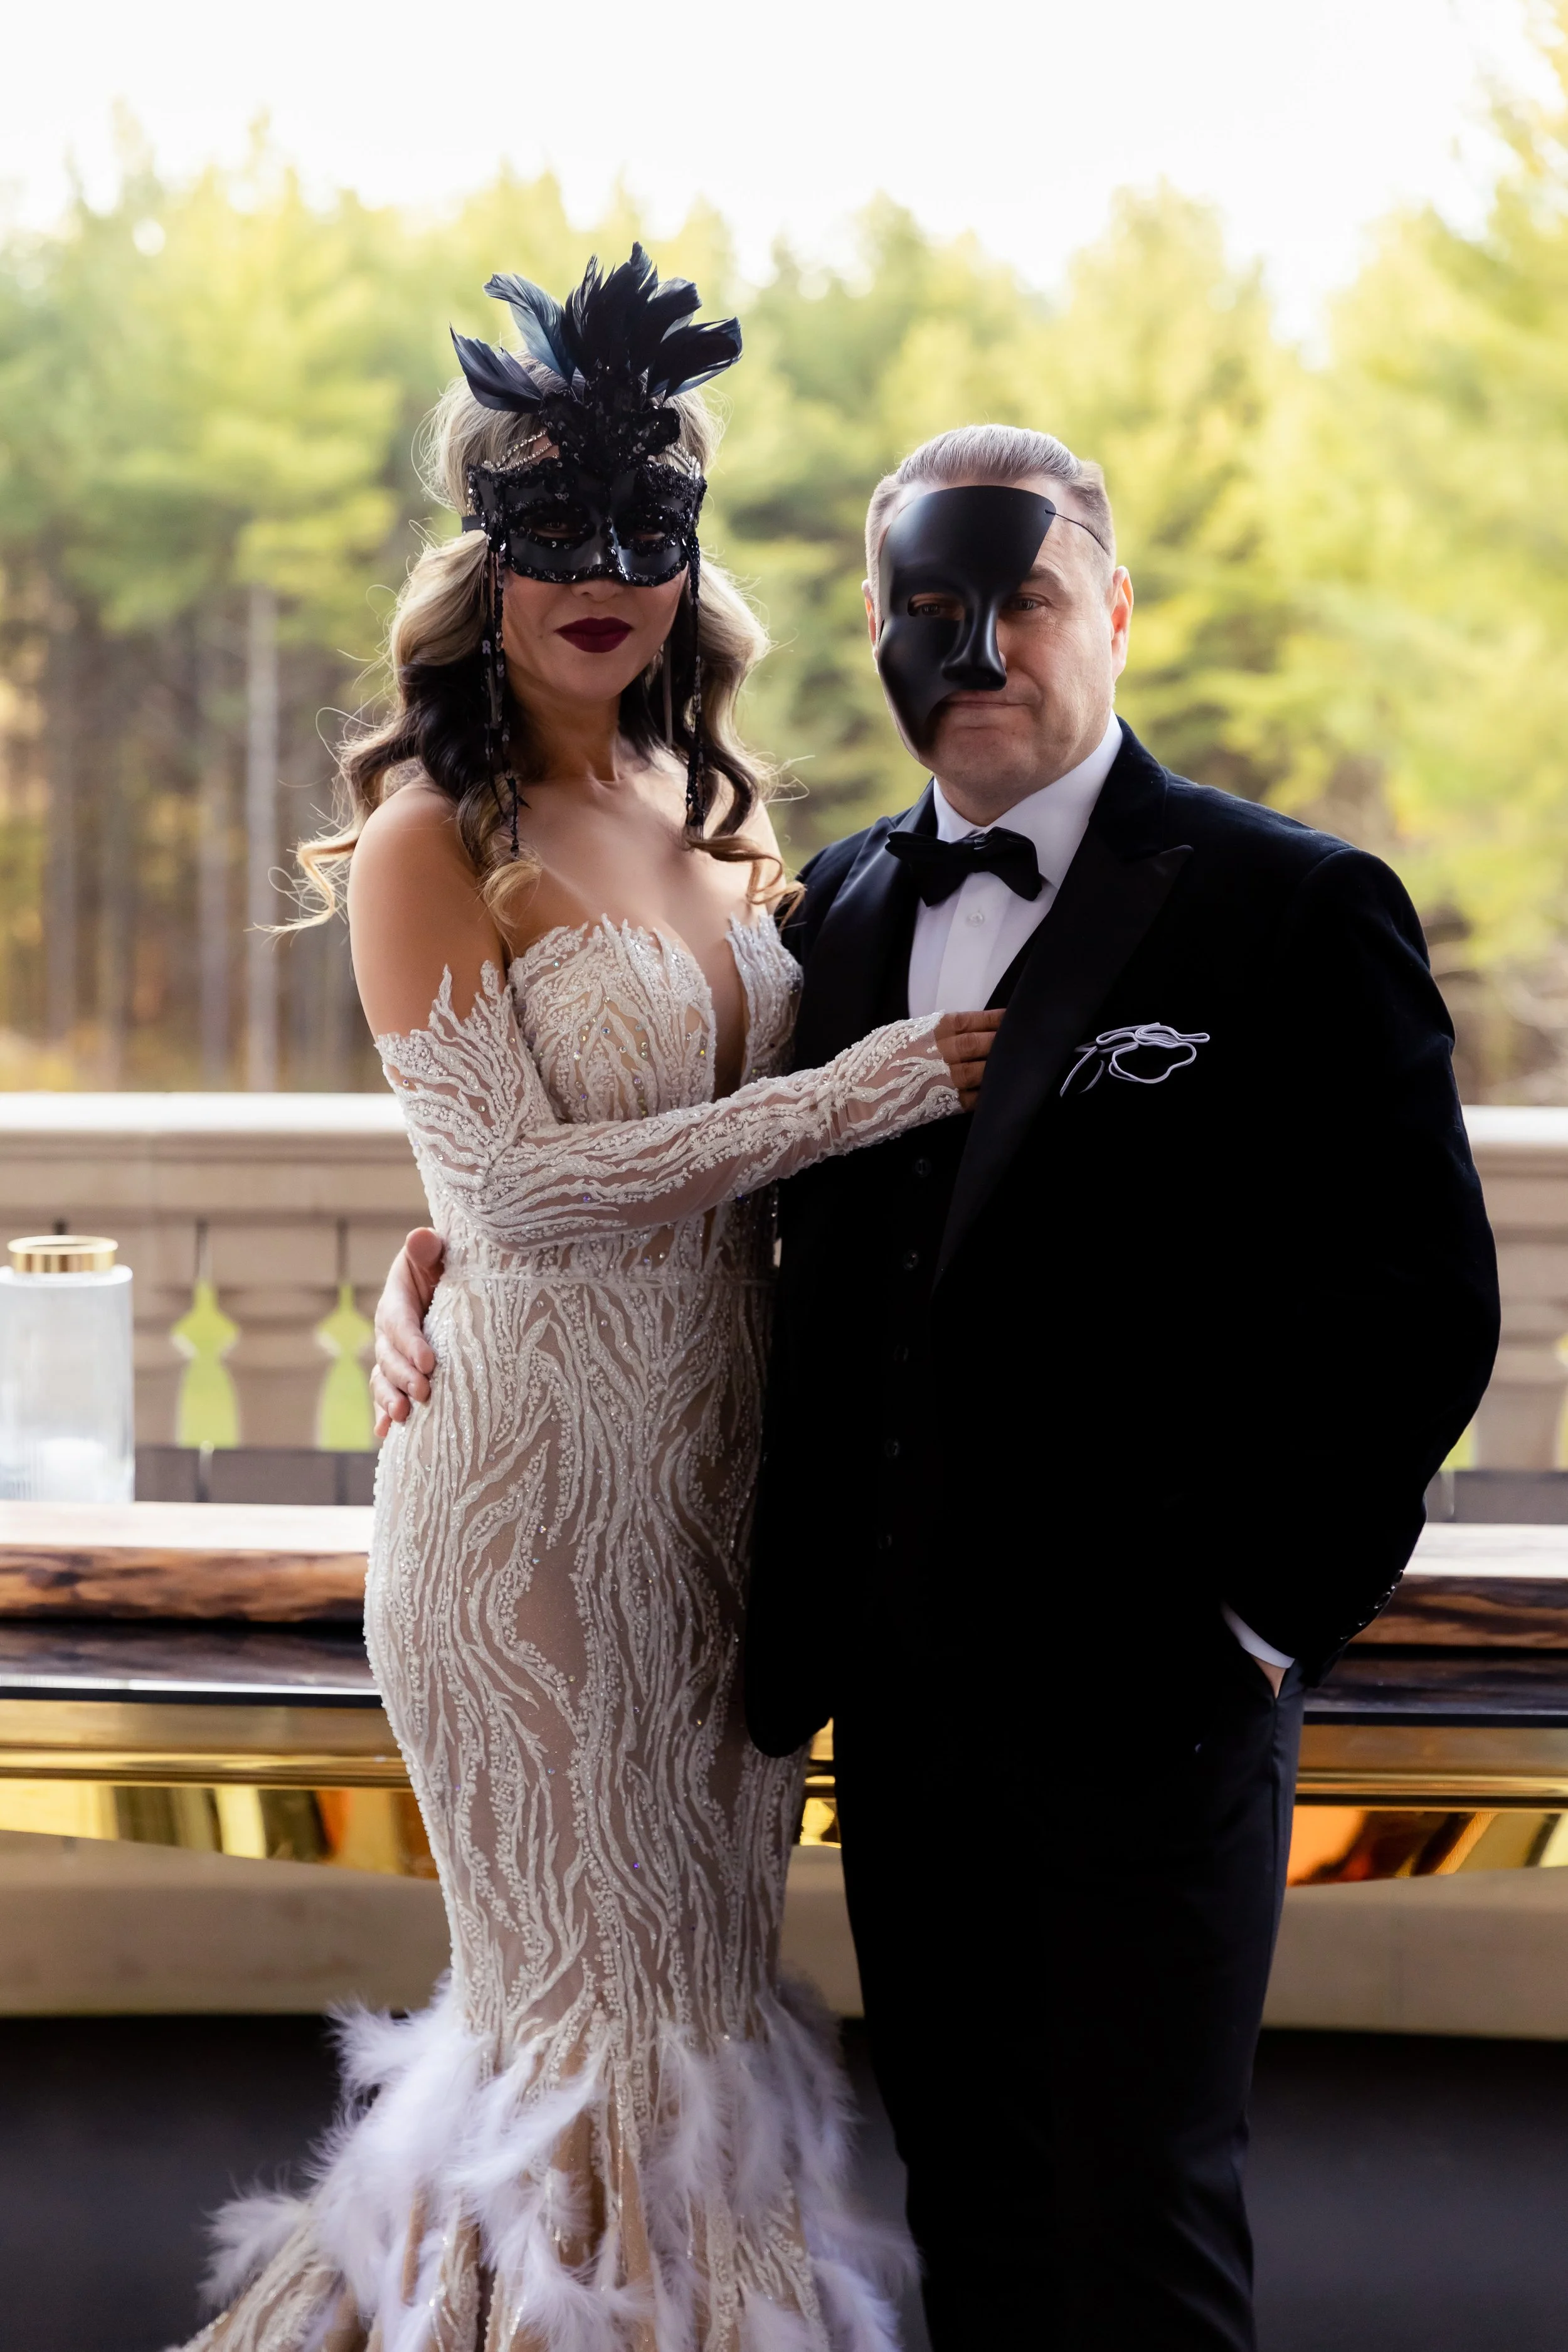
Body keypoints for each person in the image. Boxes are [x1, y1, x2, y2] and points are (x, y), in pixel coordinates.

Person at [380, 420, 1501, 2351]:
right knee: (960, 2223)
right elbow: (663, 1149)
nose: (973, 646)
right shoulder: (839, 906)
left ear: (1116, 614)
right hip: (876, 1702)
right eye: (924, 606)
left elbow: (1417, 1305)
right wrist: (438, 1256)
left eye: (1025, 597)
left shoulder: (1287, 907)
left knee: (1138, 2238)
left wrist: (1251, 1619)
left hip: (1147, 1705)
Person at [188, 253, 1001, 2352]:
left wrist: (430, 1242)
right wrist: (875, 1079)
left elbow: (693, 1187)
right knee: (596, 2019)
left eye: (650, 531)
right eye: (554, 534)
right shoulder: (422, 838)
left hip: (725, 1494)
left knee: (705, 2004)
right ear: (482, 565)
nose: (606, 574)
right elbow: (527, 1196)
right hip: (526, 1515)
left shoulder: (713, 824)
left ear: (691, 565)